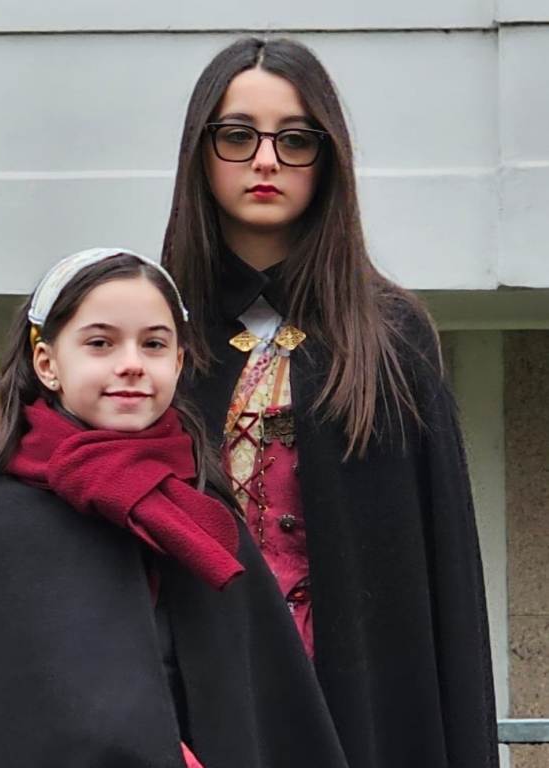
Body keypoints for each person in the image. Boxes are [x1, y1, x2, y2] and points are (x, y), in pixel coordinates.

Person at [0, 248, 350, 768]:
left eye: (154, 344)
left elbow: (267, 717)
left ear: (179, 362)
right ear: (47, 364)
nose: (131, 364)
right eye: (100, 343)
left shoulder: (201, 514)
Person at [162, 37, 497, 766]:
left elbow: (445, 582)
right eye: (237, 135)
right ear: (200, 152)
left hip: (360, 715)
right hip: (201, 708)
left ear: (327, 157)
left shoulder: (391, 337)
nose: (265, 160)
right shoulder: (156, 335)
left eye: (294, 139)